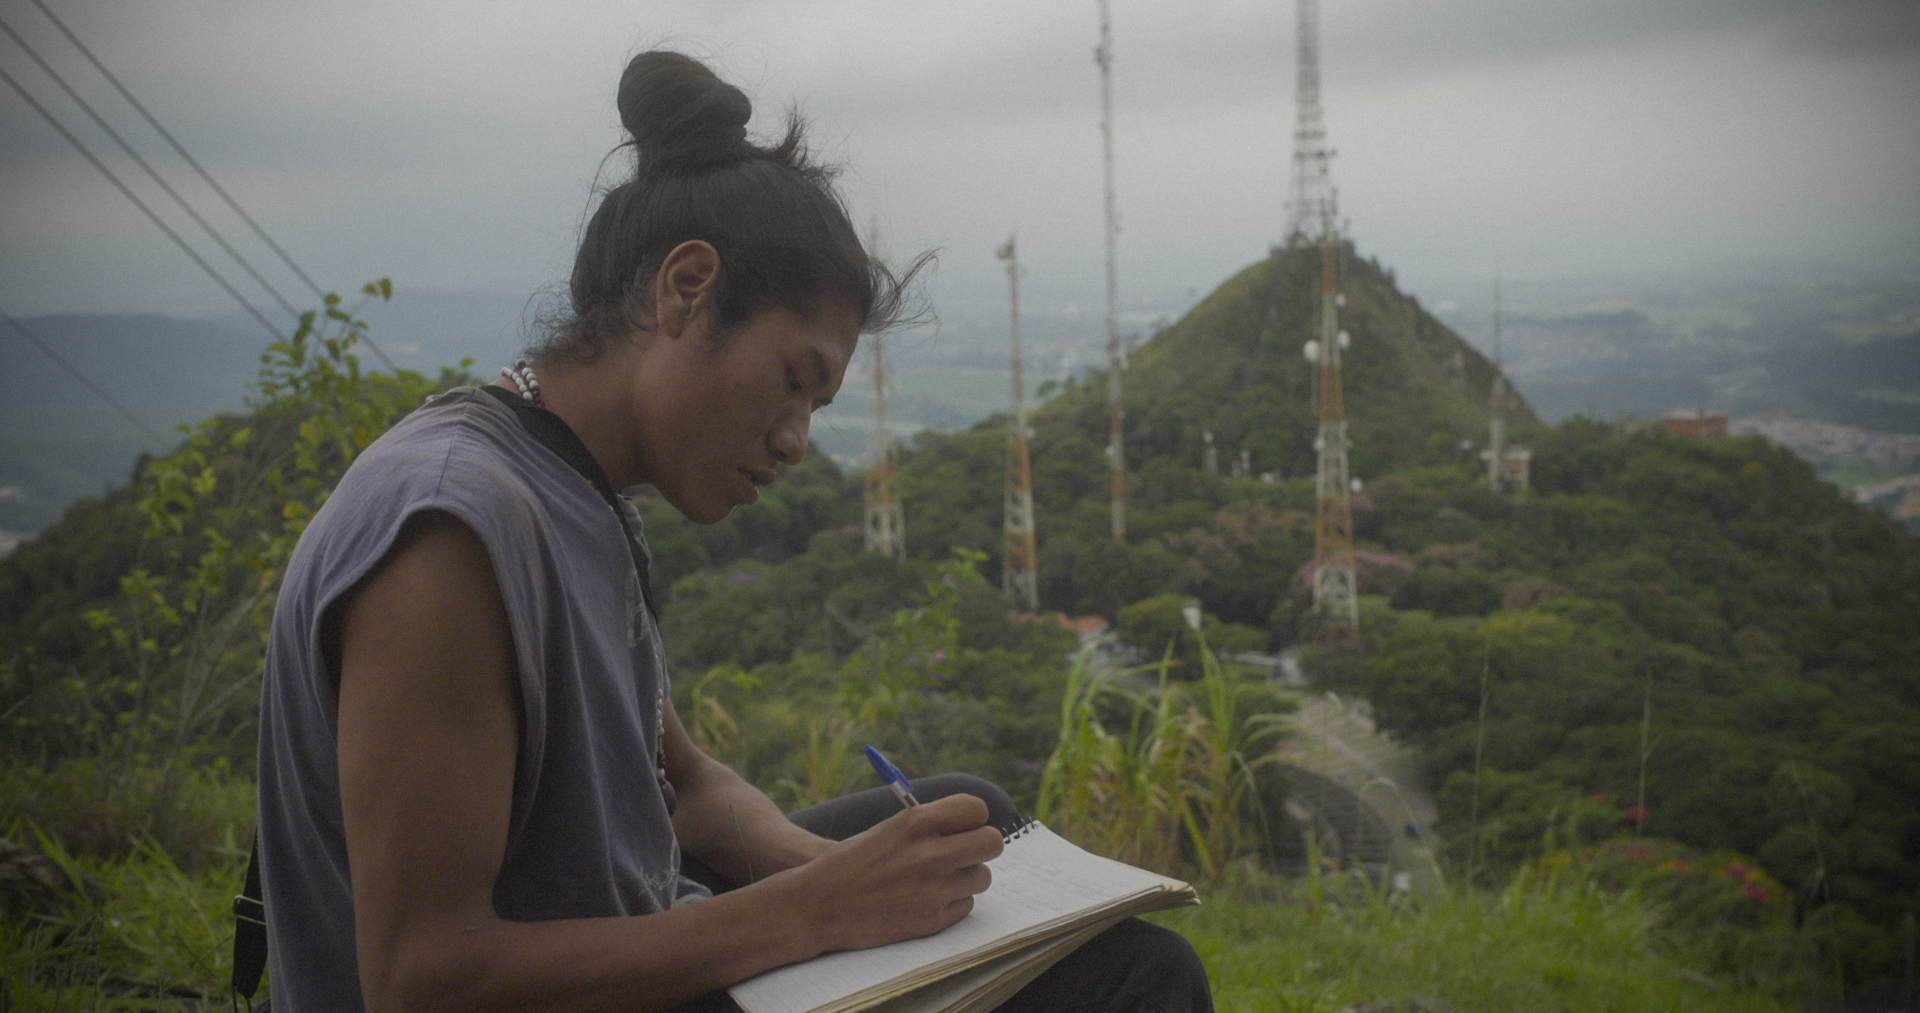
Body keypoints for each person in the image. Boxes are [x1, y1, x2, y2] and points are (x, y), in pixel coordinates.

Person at [255, 50, 1212, 1013]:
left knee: (973, 825)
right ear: (686, 288)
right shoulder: (451, 533)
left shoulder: (573, 494)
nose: (797, 441)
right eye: (795, 379)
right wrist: (814, 910)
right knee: (1146, 976)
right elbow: (420, 979)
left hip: (637, 925)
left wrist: (859, 878)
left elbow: (689, 787)